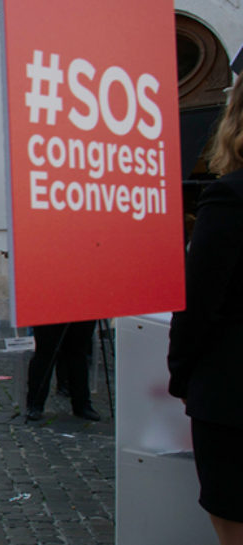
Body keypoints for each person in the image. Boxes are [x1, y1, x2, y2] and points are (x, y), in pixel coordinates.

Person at [168, 72, 243, 545]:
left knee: (231, 517)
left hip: (231, 393)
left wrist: (179, 374)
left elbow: (197, 305)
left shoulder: (229, 196)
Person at [25, 321, 100, 422]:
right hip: (49, 311)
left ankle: (82, 404)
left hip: (81, 311)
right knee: (45, 353)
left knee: (78, 354)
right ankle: (35, 403)